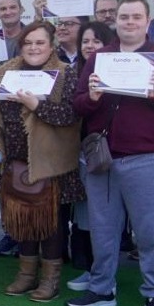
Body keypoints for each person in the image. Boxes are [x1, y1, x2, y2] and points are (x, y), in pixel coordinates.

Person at [69, 0, 154, 306]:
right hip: (103, 158)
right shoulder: (100, 57)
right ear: (116, 21)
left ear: (146, 19)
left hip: (146, 157)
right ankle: (102, 289)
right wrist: (93, 96)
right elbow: (79, 105)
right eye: (124, 17)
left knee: (151, 231)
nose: (129, 22)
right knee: (103, 228)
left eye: (135, 17)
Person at [0, 22, 81, 302]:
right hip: (14, 163)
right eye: (28, 43)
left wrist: (37, 106)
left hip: (51, 164)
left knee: (50, 223)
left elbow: (71, 116)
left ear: (52, 46)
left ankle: (50, 280)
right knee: (24, 221)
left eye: (40, 43)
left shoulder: (65, 74)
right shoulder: (5, 73)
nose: (33, 48)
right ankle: (25, 275)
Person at [66, 20, 116, 292]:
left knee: (103, 217)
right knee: (84, 215)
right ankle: (88, 269)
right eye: (85, 41)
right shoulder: (72, 73)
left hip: (106, 154)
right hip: (77, 153)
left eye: (96, 41)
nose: (90, 46)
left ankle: (105, 273)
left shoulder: (118, 72)